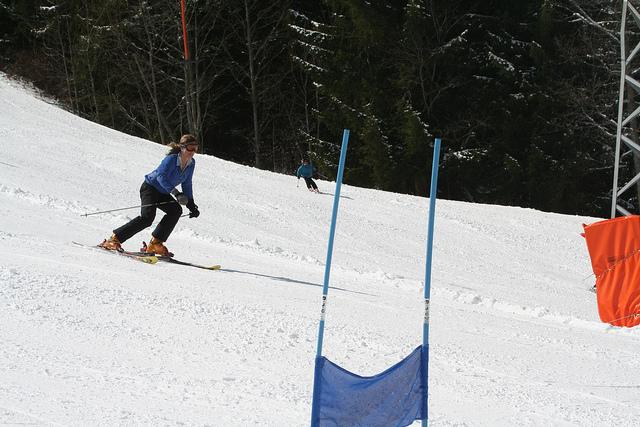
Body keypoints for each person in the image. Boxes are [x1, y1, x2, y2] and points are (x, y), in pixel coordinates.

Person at [101, 134, 201, 256]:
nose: (193, 151)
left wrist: (191, 203)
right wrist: (176, 193)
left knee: (175, 210)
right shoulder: (171, 159)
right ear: (182, 147)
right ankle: (114, 239)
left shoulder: (191, 163)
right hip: (150, 188)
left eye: (195, 148)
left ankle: (155, 243)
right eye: (190, 147)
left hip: (162, 192)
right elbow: (161, 177)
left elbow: (187, 183)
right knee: (147, 218)